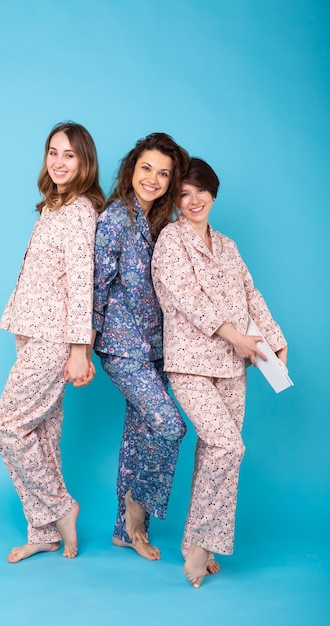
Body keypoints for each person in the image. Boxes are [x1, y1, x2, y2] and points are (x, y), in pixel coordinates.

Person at [152, 157, 288, 587]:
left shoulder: (227, 244)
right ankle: (200, 546)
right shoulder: (170, 242)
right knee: (229, 447)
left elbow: (250, 294)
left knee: (215, 453)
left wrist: (275, 341)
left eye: (200, 191)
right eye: (183, 194)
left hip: (232, 366)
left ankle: (198, 536)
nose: (193, 201)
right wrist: (239, 338)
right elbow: (192, 301)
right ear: (175, 200)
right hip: (190, 364)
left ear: (213, 192)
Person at [0, 122, 105, 563]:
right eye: (53, 152)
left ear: (85, 161)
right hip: (32, 330)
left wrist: (81, 351)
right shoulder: (54, 206)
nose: (58, 162)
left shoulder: (79, 211)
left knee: (8, 425)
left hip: (54, 339)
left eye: (69, 155)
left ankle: (60, 507)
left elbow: (83, 284)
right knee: (40, 433)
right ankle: (43, 531)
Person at [93, 132, 191, 562]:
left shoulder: (164, 228)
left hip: (157, 348)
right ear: (132, 168)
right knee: (170, 425)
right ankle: (136, 509)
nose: (152, 178)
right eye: (146, 167)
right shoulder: (115, 218)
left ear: (172, 182)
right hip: (121, 345)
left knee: (140, 434)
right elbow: (93, 286)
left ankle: (124, 530)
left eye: (163, 173)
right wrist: (79, 347)